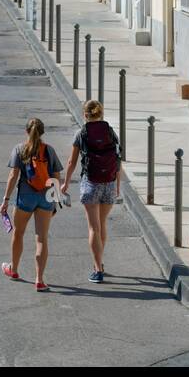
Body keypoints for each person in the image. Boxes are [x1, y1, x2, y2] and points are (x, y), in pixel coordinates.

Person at [0, 118, 63, 292]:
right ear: (42, 132)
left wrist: (6, 199)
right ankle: (39, 280)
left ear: (26, 131)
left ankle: (13, 270)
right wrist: (55, 200)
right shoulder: (49, 150)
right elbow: (57, 176)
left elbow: (13, 176)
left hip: (26, 197)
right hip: (45, 197)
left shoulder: (20, 149)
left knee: (18, 233)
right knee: (41, 239)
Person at [62, 100, 121, 283]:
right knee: (102, 224)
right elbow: (117, 160)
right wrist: (117, 185)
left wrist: (65, 183)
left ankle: (97, 269)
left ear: (84, 115)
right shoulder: (110, 132)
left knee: (93, 228)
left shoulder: (81, 134)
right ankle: (100, 263)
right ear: (101, 114)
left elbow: (71, 162)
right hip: (109, 184)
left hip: (91, 184)